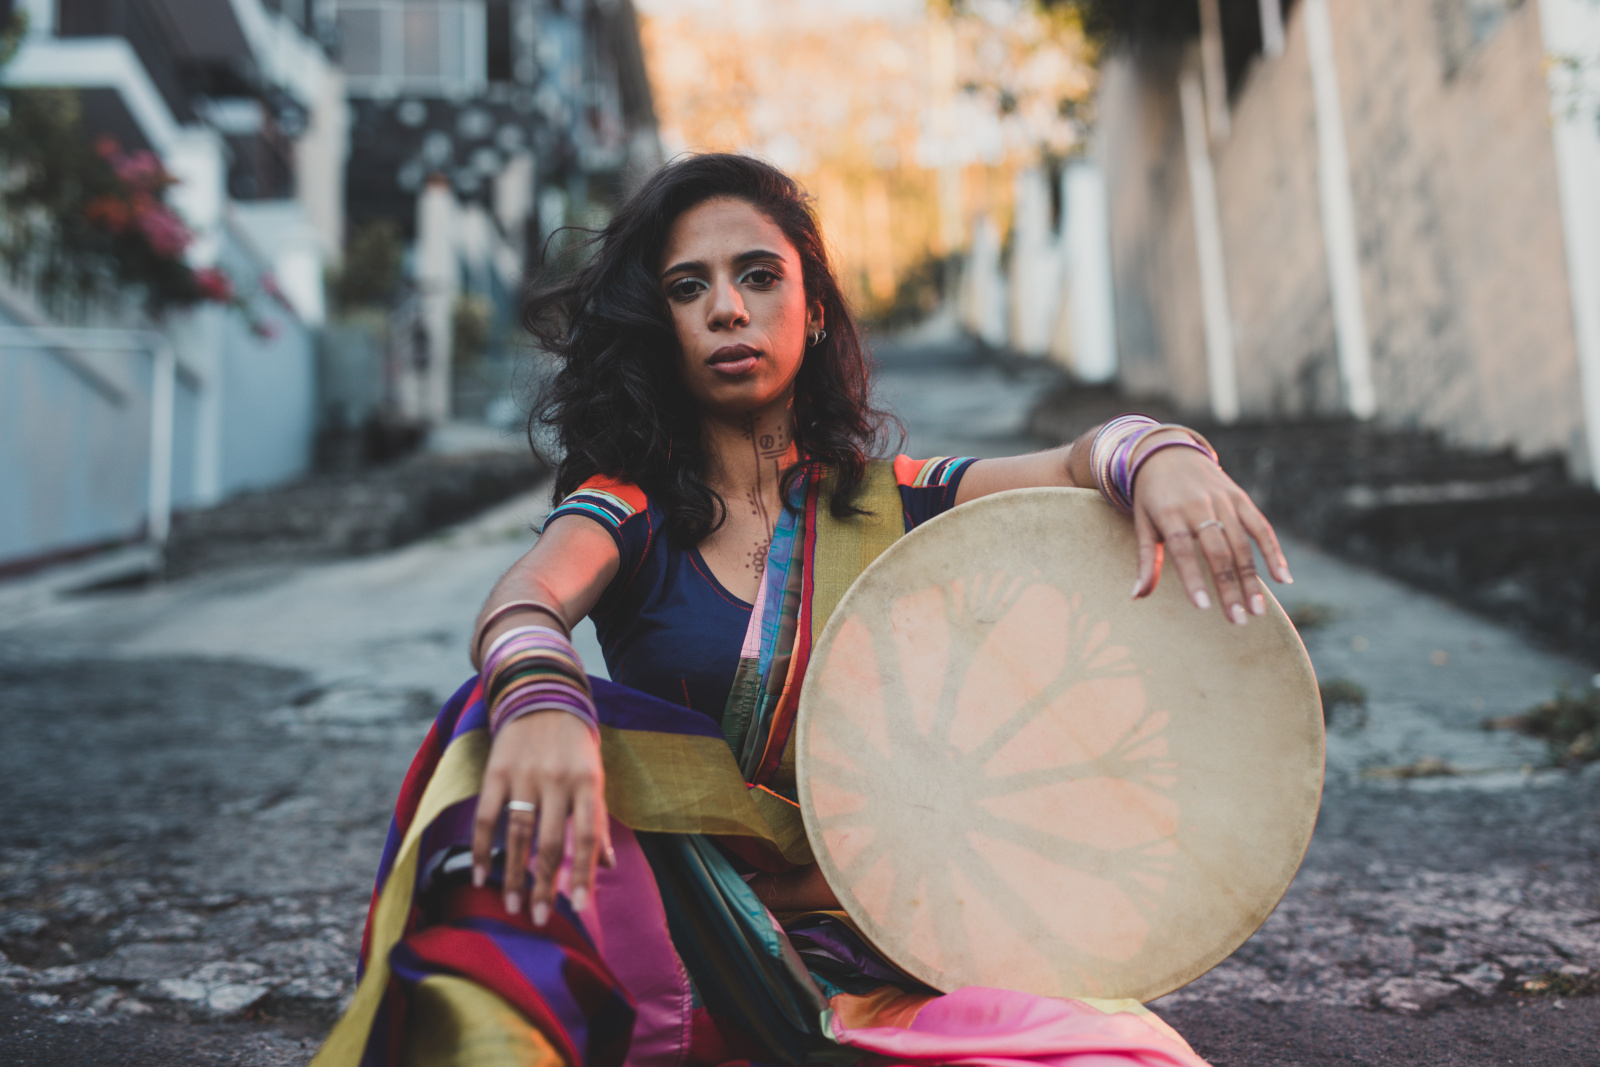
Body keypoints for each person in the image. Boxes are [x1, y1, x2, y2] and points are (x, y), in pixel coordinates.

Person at [312, 154, 1292, 1067]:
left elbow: (1078, 465)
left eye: (757, 275)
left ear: (813, 308)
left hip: (882, 934)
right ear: (660, 326)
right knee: (485, 740)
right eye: (687, 287)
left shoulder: (887, 499)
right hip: (680, 934)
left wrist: (1159, 452)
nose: (726, 308)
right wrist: (540, 699)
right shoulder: (630, 506)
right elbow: (528, 596)